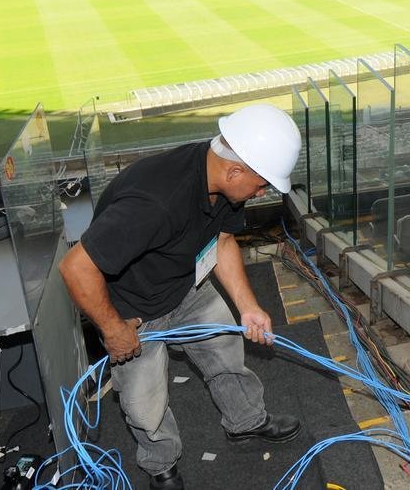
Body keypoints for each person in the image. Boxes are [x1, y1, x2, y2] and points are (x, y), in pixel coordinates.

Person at [59, 103, 304, 490]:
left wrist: (248, 306)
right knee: (145, 406)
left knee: (226, 348)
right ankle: (161, 465)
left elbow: (222, 242)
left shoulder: (221, 181)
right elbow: (76, 267)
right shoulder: (155, 202)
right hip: (133, 311)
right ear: (235, 170)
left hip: (186, 286)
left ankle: (245, 421)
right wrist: (112, 329)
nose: (262, 193)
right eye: (262, 185)